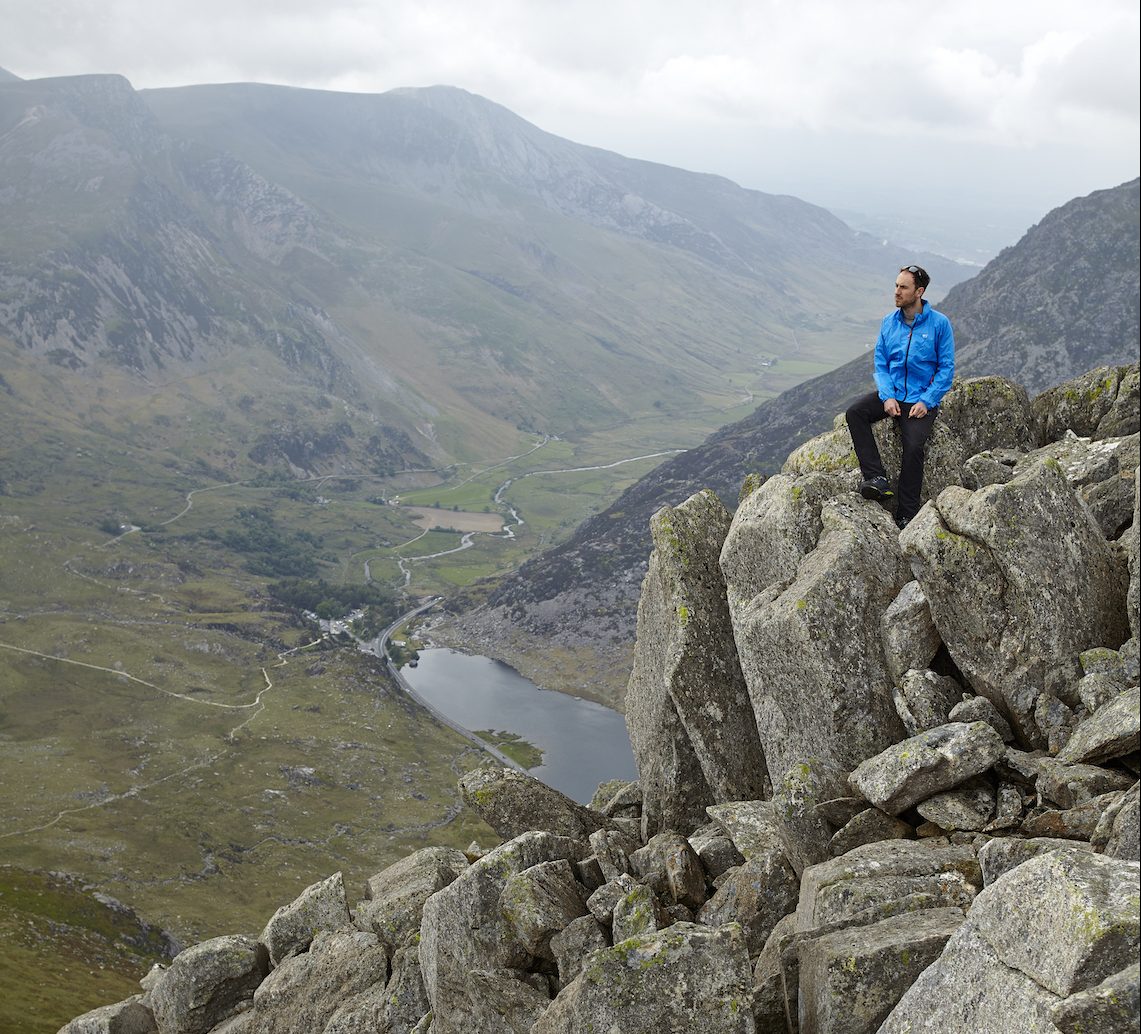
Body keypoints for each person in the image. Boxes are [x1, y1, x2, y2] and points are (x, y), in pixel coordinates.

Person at [845, 264, 955, 530]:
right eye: (896, 286)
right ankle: (876, 479)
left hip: (920, 399)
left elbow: (946, 368)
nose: (896, 292)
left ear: (919, 291)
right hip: (894, 395)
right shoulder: (888, 322)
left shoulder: (939, 324)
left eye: (903, 287)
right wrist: (887, 396)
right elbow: (881, 364)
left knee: (914, 447)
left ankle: (906, 513)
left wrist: (927, 401)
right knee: (855, 413)